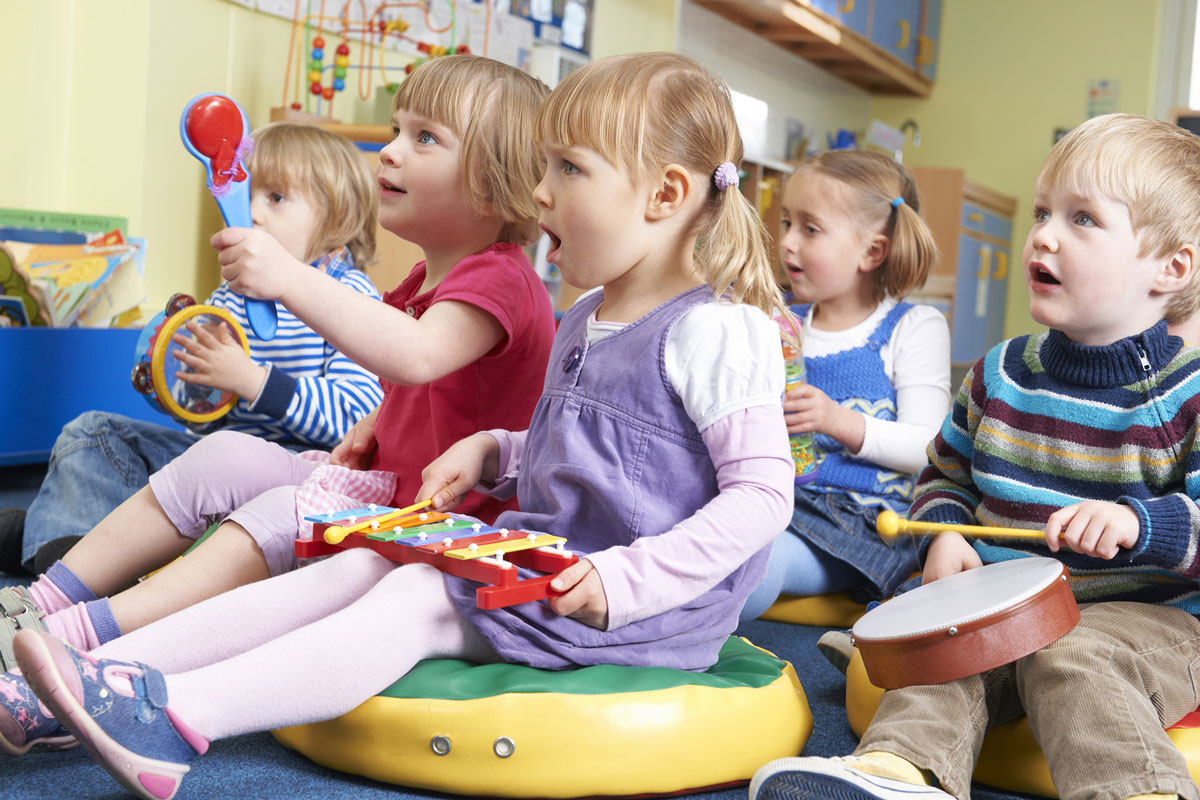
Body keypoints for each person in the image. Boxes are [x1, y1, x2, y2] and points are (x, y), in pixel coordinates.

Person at [2, 51, 794, 800]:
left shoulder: (720, 330)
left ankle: (174, 718)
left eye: (570, 170)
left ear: (665, 195)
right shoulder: (588, 314)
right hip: (543, 557)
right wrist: (496, 451)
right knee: (357, 568)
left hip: (633, 603)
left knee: (415, 595)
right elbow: (593, 445)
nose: (541, 192)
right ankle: (89, 672)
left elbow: (761, 497)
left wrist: (625, 584)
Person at [0, 55, 555, 678]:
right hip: (386, 494)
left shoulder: (504, 278)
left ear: (491, 179)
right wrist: (374, 421)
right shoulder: (425, 278)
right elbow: (413, 380)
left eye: (424, 137)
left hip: (446, 529)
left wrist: (287, 277)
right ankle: (34, 607)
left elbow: (418, 355)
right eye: (396, 129)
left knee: (279, 510)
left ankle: (79, 639)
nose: (391, 151)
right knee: (223, 454)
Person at [750, 113, 1200, 800]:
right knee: (948, 640)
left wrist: (1142, 525)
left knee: (1074, 656)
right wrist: (949, 529)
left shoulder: (1188, 392)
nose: (1044, 234)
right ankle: (902, 775)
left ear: (1170, 268)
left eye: (1083, 220)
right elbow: (944, 473)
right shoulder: (999, 372)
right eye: (1045, 211)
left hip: (1147, 621)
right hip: (1010, 611)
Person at [0, 122, 386, 577]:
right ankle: (68, 554)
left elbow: (356, 415)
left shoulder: (350, 294)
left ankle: (67, 547)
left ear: (337, 218)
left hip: (293, 478)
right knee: (93, 432)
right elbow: (201, 414)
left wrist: (253, 382)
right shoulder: (230, 297)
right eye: (246, 195)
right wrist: (173, 381)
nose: (252, 214)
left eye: (275, 198)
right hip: (208, 466)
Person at [738, 150, 949, 623]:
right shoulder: (782, 323)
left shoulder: (912, 326)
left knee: (749, 562)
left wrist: (839, 421)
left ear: (871, 252)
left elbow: (930, 448)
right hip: (776, 499)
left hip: (862, 522)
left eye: (810, 229)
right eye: (787, 222)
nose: (787, 242)